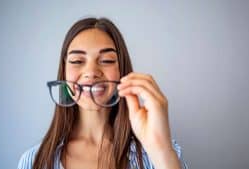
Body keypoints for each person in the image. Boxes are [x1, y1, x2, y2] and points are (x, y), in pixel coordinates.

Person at [17, 17, 188, 169]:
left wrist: (161, 151)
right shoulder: (33, 161)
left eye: (106, 60)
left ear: (122, 70)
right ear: (64, 73)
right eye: (77, 61)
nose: (91, 72)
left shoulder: (158, 152)